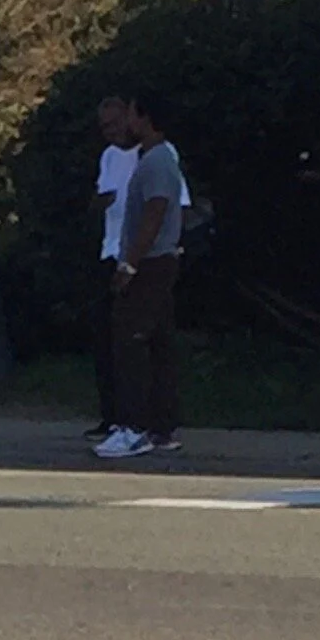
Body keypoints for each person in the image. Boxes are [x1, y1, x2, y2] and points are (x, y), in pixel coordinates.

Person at [93, 92, 186, 462]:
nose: (126, 124)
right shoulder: (151, 159)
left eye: (130, 115)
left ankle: (133, 427)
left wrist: (129, 263)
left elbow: (156, 211)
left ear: (144, 118)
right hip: (156, 260)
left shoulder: (159, 160)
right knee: (159, 343)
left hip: (150, 262)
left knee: (131, 341)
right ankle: (162, 426)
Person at [88, 97, 142, 441]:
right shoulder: (109, 156)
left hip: (137, 255)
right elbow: (101, 196)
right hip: (110, 250)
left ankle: (136, 415)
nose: (110, 133)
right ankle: (110, 414)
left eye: (115, 125)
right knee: (104, 338)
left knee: (132, 339)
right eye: (104, 128)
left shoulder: (149, 155)